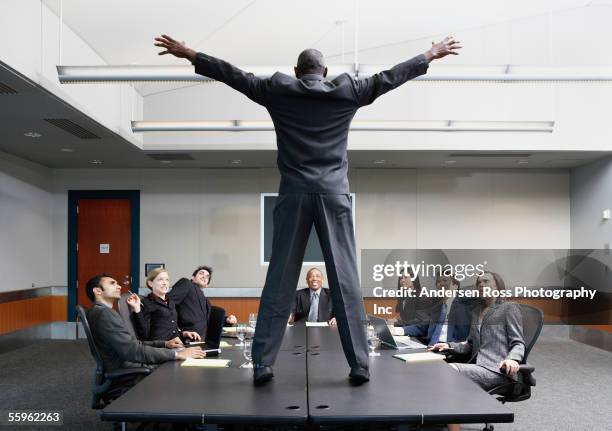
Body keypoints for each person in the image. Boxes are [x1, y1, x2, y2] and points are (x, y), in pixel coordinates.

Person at [154, 33, 462, 385]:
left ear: (296, 71)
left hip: (294, 194)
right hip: (333, 195)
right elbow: (390, 77)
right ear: (325, 71)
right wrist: (429, 54)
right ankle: (359, 365)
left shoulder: (278, 90)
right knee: (345, 281)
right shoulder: (348, 91)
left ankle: (263, 364)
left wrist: (190, 53)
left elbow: (232, 74)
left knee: (279, 282)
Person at [429, 272, 525, 431]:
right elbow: (471, 345)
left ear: (497, 285)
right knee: (437, 369)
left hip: (497, 369)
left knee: (450, 371)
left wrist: (513, 359)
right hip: (477, 366)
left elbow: (518, 342)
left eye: (486, 281)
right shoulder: (476, 311)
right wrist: (449, 345)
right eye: (478, 283)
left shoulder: (509, 308)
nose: (481, 285)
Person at [85, 274, 205, 375]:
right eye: (112, 283)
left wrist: (165, 343)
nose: (119, 286)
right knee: (186, 371)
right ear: (98, 290)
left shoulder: (103, 312)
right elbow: (133, 350)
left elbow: (132, 343)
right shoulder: (105, 315)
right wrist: (176, 354)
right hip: (130, 369)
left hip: (130, 362)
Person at [390, 275, 478, 345]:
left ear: (455, 286)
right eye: (438, 281)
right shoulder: (436, 307)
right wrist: (397, 330)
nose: (441, 283)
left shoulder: (465, 305)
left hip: (450, 351)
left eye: (445, 280)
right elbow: (422, 327)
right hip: (430, 348)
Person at [129, 268, 202, 344]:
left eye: (167, 280)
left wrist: (184, 333)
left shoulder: (171, 302)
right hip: (162, 349)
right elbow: (144, 335)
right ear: (151, 283)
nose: (165, 283)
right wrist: (137, 309)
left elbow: (171, 328)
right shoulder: (146, 303)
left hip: (178, 345)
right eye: (160, 279)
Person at [169, 265, 238, 339]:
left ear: (207, 285)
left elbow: (211, 319)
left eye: (207, 276)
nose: (204, 276)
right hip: (188, 337)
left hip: (204, 339)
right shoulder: (186, 283)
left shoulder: (206, 302)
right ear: (193, 277)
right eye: (201, 273)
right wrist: (178, 332)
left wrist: (227, 320)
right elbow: (168, 304)